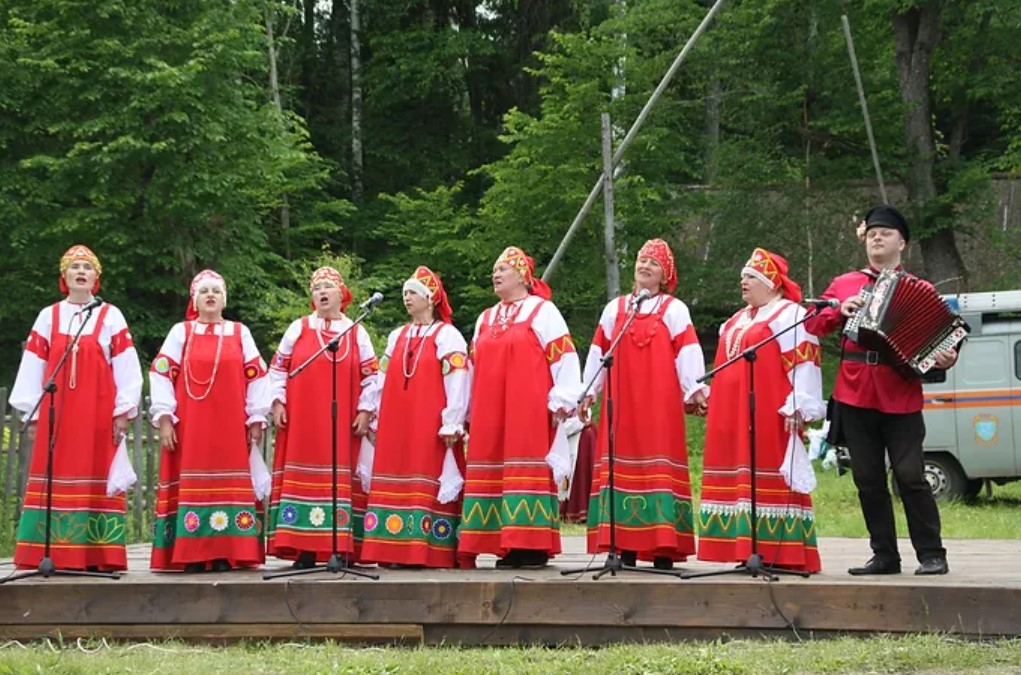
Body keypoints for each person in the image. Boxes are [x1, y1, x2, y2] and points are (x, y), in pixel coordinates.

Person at [805, 205, 957, 576]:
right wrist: (840, 310)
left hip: (899, 393)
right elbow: (813, 322)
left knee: (910, 476)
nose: (876, 237)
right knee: (868, 479)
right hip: (855, 392)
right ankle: (884, 555)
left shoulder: (920, 289)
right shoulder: (844, 284)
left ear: (901, 243)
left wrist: (946, 358)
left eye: (885, 233)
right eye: (872, 232)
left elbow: (943, 344)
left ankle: (932, 554)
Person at [9, 245, 143, 572]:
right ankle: (48, 552)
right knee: (55, 475)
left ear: (96, 278)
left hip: (97, 414)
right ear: (64, 277)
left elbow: (126, 366)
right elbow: (33, 366)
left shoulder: (110, 315)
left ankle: (98, 555)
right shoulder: (48, 316)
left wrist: (123, 411)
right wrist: (34, 413)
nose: (81, 271)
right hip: (58, 415)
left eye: (87, 267)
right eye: (74, 267)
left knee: (96, 474)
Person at [580, 239, 708, 570]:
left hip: (658, 403)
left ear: (665, 275)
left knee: (659, 464)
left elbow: (688, 353)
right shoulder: (616, 309)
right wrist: (589, 392)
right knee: (621, 464)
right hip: (621, 402)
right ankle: (625, 547)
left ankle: (663, 546)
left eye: (654, 263)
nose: (645, 266)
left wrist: (694, 390)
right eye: (641, 260)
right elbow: (599, 353)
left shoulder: (675, 310)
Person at [698, 248, 824, 573]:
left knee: (768, 472)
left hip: (770, 411)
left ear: (771, 283)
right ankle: (743, 548)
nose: (743, 281)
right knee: (737, 474)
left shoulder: (790, 315)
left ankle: (780, 552)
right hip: (732, 412)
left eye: (751, 276)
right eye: (743, 276)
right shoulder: (737, 319)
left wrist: (800, 404)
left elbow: (804, 362)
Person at [459, 246, 581, 569]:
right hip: (489, 410)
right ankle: (497, 541)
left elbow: (564, 357)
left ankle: (529, 545)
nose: (495, 274)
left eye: (503, 269)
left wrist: (563, 399)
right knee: (491, 466)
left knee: (524, 467)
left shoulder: (542, 312)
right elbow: (473, 367)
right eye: (494, 270)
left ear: (523, 277)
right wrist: (465, 412)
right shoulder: (485, 318)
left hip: (526, 410)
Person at [149, 270, 271, 572]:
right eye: (204, 291)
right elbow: (162, 372)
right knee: (193, 480)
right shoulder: (181, 332)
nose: (210, 295)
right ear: (195, 299)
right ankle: (190, 553)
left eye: (216, 290)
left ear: (224, 299)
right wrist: (165, 417)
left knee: (229, 482)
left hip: (230, 424)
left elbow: (256, 373)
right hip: (191, 424)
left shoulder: (239, 332)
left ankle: (225, 552)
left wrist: (256, 415)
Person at [266, 267, 379, 568]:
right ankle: (303, 548)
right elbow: (278, 368)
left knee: (340, 475)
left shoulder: (356, 330)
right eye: (317, 288)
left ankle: (341, 547)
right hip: (303, 419)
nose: (322, 292)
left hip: (343, 421)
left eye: (328, 287)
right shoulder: (299, 327)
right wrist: (278, 402)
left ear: (342, 295)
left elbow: (371, 376)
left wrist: (366, 409)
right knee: (304, 476)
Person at [360, 266, 469, 568]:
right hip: (397, 421)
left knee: (426, 477)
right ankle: (391, 550)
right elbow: (382, 377)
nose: (407, 298)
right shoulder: (398, 336)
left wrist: (453, 420)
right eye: (405, 293)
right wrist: (374, 412)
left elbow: (457, 379)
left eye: (413, 293)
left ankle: (427, 551)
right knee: (394, 478)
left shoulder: (448, 336)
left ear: (430, 298)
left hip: (429, 422)